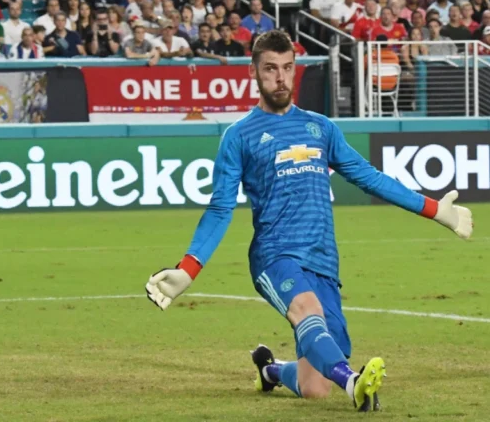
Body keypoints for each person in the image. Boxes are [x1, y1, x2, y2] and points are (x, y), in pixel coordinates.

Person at [145, 30, 472, 412]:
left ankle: (269, 371)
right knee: (307, 312)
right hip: (275, 254)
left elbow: (368, 177)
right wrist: (188, 268)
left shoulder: (321, 128)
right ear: (254, 71)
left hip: (323, 260)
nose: (280, 78)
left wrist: (435, 209)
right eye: (270, 69)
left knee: (314, 385)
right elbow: (220, 208)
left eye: (287, 68)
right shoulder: (239, 136)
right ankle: (353, 383)